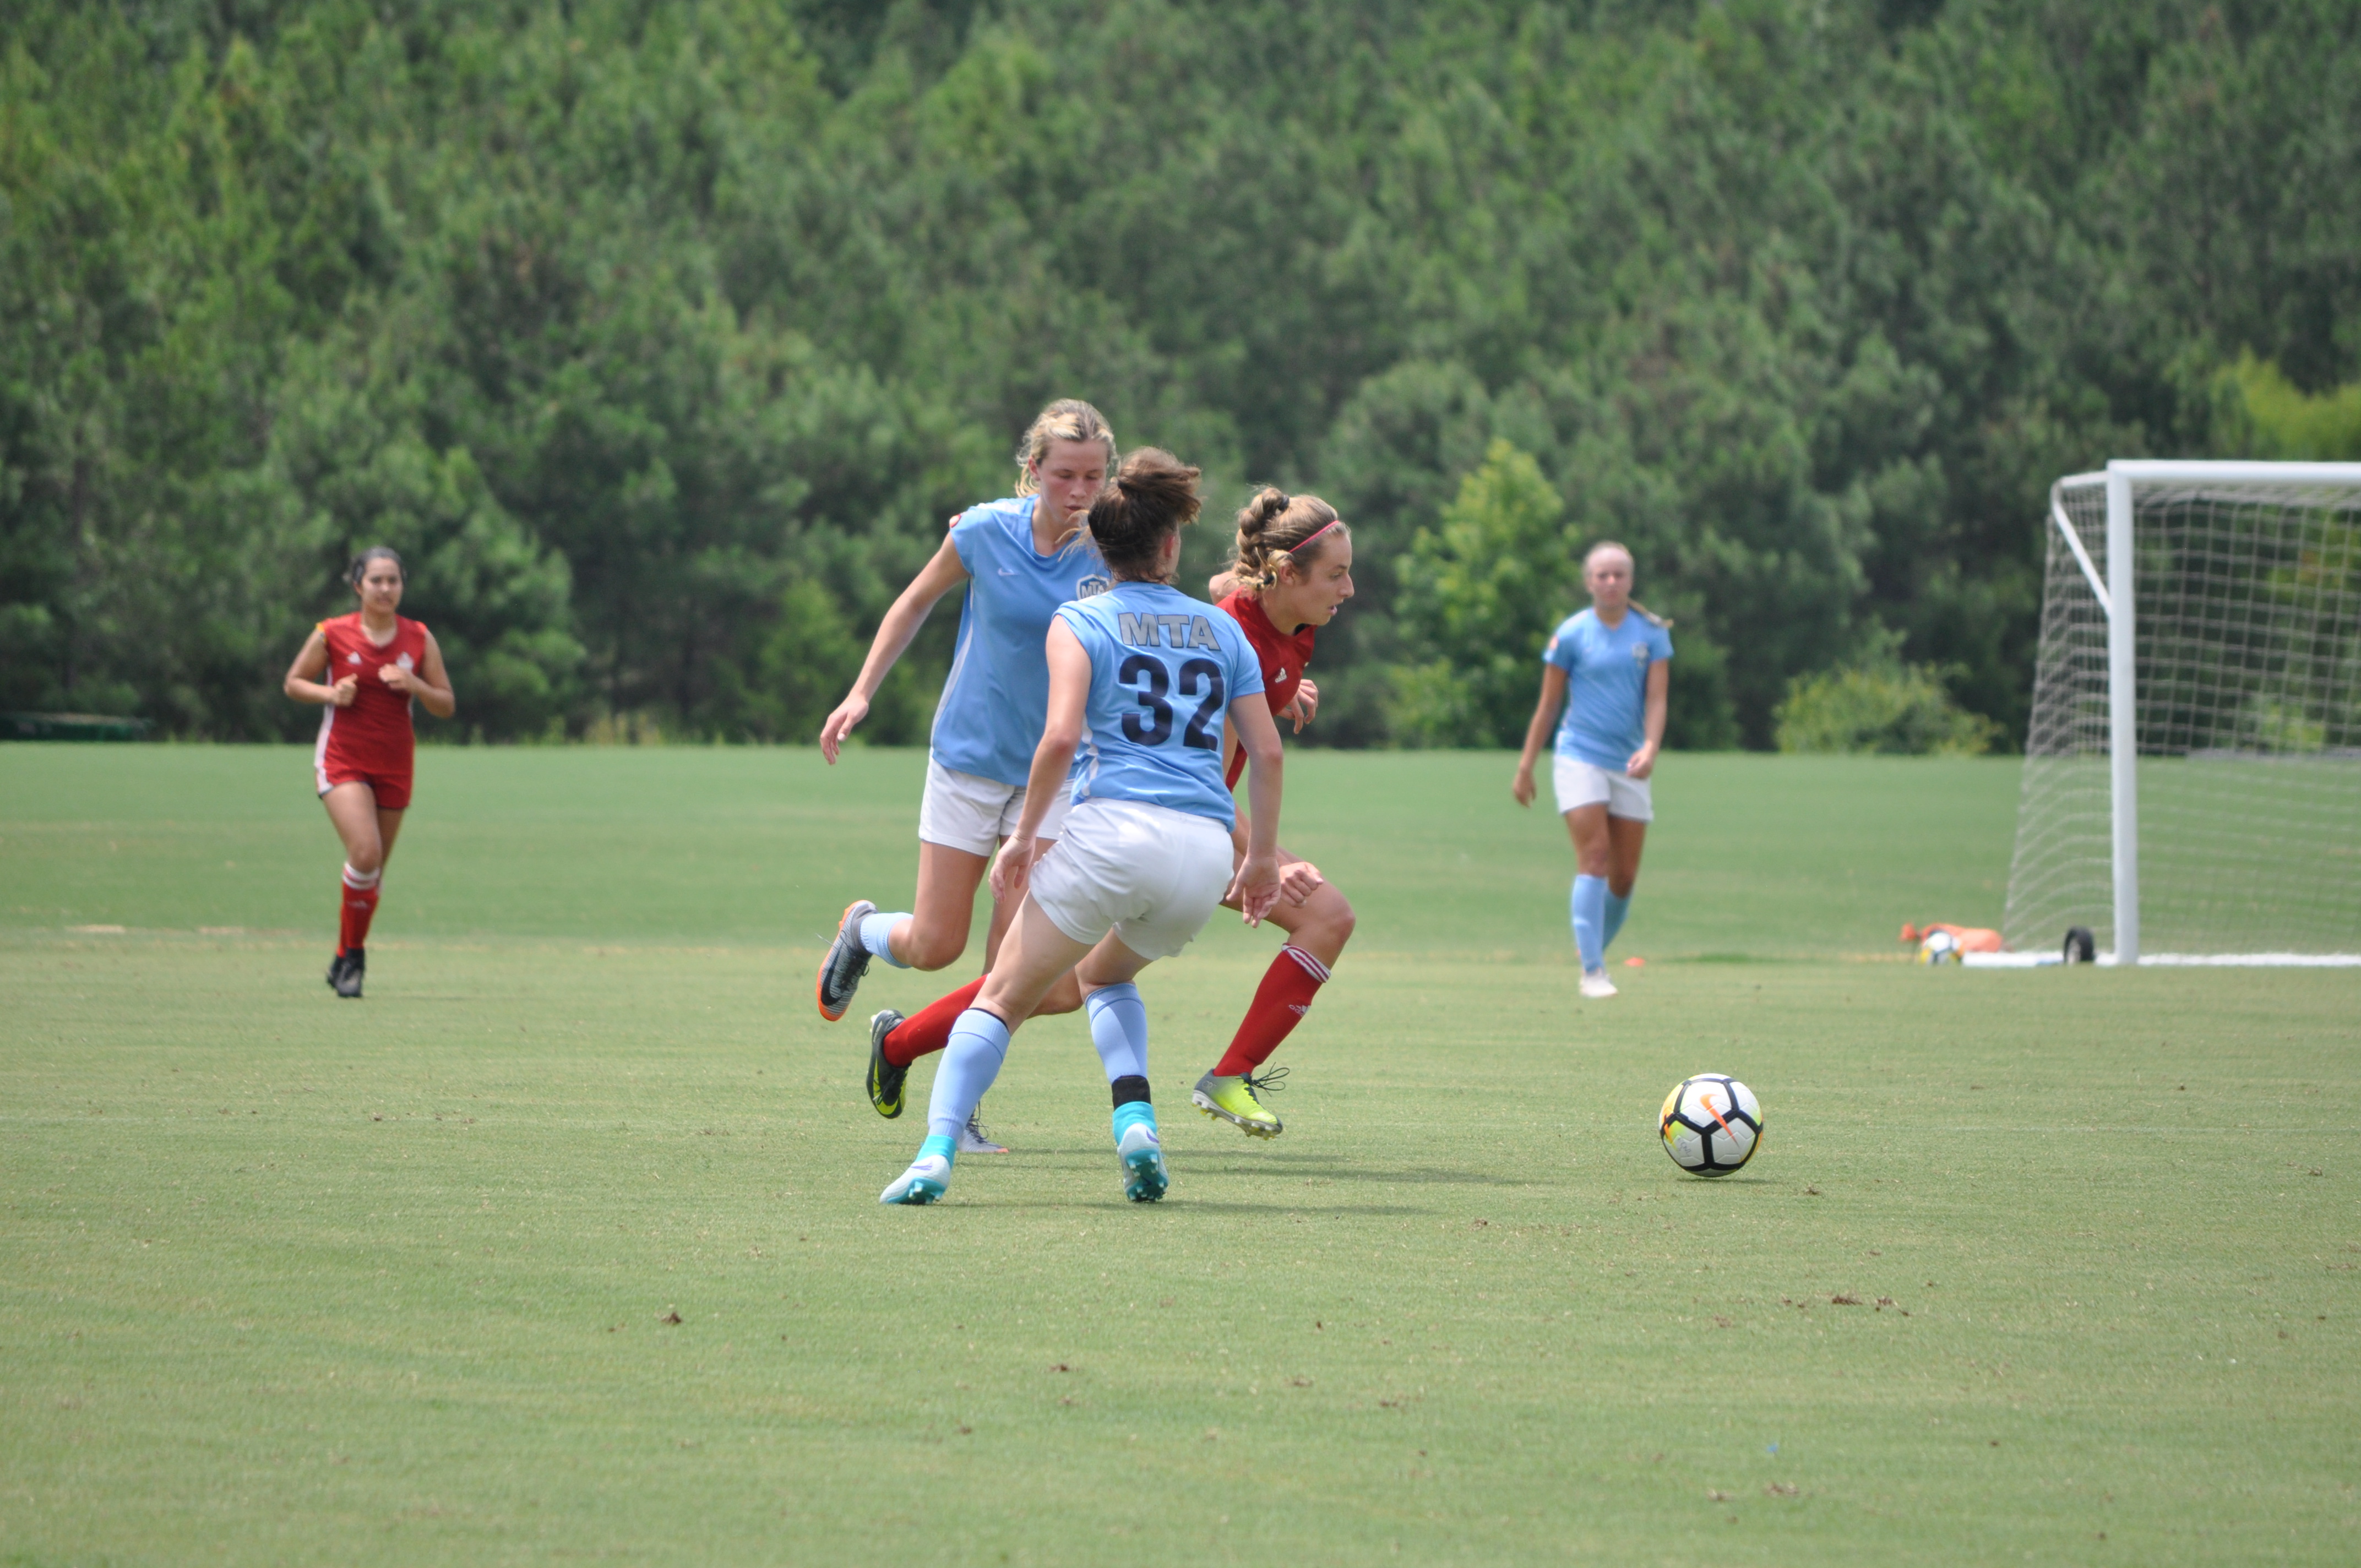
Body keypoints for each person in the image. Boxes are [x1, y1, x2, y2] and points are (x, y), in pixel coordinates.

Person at [878, 449, 1286, 1206]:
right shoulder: (1223, 632)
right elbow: (1265, 750)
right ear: (1170, 547)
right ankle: (1136, 1122)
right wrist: (1259, 861)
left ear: (1104, 545)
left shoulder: (1081, 618)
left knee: (1001, 995)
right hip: (1200, 857)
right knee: (1104, 976)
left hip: (1111, 834)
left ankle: (936, 1152)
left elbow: (1060, 739)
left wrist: (1027, 838)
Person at [814, 400, 1115, 1153]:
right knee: (935, 945)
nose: (1080, 490)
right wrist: (861, 691)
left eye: (1094, 476)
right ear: (1034, 472)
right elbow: (915, 602)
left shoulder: (1113, 551)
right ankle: (862, 931)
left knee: (1010, 974)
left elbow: (1174, 603)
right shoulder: (984, 530)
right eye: (1065, 475)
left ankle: (959, 1111)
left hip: (1052, 778)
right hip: (968, 761)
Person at [1188, 488, 1358, 1139]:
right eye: (1337, 573)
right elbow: (1208, 784)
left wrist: (1280, 692)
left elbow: (1220, 581)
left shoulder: (1280, 609)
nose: (1349, 587)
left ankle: (899, 1044)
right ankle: (1229, 1075)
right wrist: (1269, 862)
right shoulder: (1240, 643)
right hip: (1178, 819)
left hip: (1187, 818)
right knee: (1327, 913)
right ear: (1288, 573)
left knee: (1060, 987)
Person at [281, 547, 455, 999]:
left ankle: (344, 954)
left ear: (402, 586)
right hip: (343, 758)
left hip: (396, 762)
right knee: (365, 853)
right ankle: (355, 959)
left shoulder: (419, 638)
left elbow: (446, 703)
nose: (385, 589)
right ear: (357, 585)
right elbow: (293, 683)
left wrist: (415, 684)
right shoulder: (332, 633)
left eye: (393, 580)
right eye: (376, 580)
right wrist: (330, 693)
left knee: (373, 872)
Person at [1510, 541, 1671, 999]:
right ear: (1589, 582)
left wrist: (1651, 747)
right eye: (1603, 575)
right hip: (1579, 755)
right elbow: (1548, 704)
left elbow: (1657, 698)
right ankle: (1594, 973)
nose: (1611, 582)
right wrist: (1526, 766)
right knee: (1595, 858)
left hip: (1629, 762)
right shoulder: (1573, 633)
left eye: (1619, 574)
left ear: (1631, 581)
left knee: (1624, 877)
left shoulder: (1652, 634)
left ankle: (1591, 950)